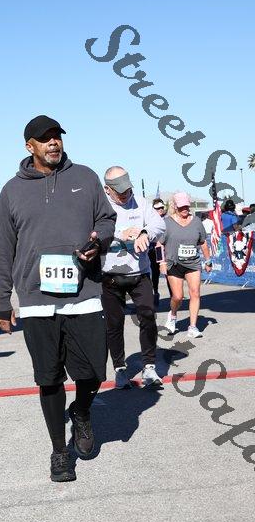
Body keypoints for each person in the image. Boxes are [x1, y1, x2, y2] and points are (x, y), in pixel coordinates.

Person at [0, 115, 116, 483]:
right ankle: (60, 451)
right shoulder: (12, 191)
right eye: (44, 138)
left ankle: (82, 411)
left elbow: (106, 219)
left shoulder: (85, 177)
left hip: (84, 293)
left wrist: (98, 242)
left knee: (93, 371)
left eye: (56, 137)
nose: (53, 143)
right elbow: (3, 250)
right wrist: (2, 300)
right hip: (36, 300)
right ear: (29, 146)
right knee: (48, 378)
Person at [101, 166, 166, 390]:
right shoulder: (99, 205)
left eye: (127, 189)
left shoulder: (141, 203)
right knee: (114, 323)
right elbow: (90, 231)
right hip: (110, 276)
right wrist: (120, 234)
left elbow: (160, 225)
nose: (125, 195)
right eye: (119, 191)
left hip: (140, 273)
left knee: (148, 316)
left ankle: (149, 366)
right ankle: (120, 368)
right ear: (107, 189)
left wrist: (146, 233)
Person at [158, 192, 212, 338]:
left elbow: (203, 242)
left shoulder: (196, 222)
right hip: (174, 264)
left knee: (195, 293)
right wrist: (161, 262)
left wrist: (208, 260)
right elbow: (159, 244)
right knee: (178, 297)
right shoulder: (167, 223)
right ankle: (173, 315)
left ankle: (192, 327)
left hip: (193, 263)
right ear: (175, 206)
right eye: (181, 207)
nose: (184, 209)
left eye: (186, 206)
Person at [148, 198, 171, 305]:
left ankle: (173, 295)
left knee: (169, 272)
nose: (160, 209)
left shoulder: (168, 219)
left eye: (161, 207)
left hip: (166, 249)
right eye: (157, 208)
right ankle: (155, 292)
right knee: (155, 273)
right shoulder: (150, 220)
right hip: (154, 249)